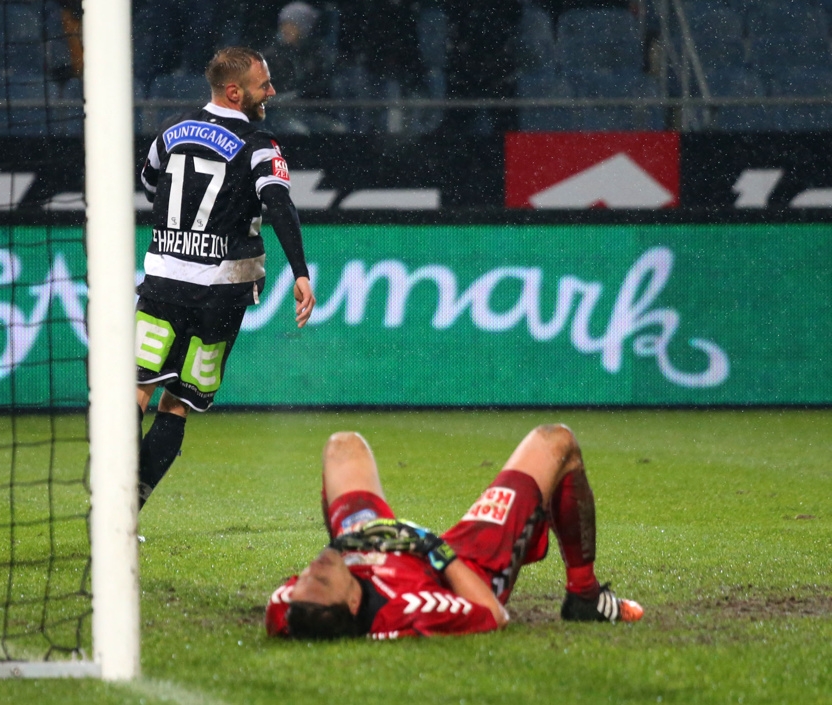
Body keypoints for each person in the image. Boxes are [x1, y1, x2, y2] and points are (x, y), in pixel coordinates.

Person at [136, 46, 316, 509]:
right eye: (264, 85)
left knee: (134, 389)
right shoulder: (260, 145)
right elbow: (278, 203)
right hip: (220, 291)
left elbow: (150, 182)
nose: (271, 92)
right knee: (176, 404)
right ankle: (130, 505)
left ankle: (111, 503)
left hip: (162, 281)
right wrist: (300, 271)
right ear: (235, 92)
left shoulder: (172, 131)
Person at [266, 424, 643, 639]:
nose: (315, 564)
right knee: (555, 442)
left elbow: (293, 600)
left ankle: (359, 551)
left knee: (343, 446)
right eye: (323, 576)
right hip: (462, 566)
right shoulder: (411, 609)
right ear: (351, 604)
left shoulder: (291, 607)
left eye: (307, 575)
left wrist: (345, 549)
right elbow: (492, 615)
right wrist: (430, 547)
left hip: (372, 543)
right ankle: (584, 596)